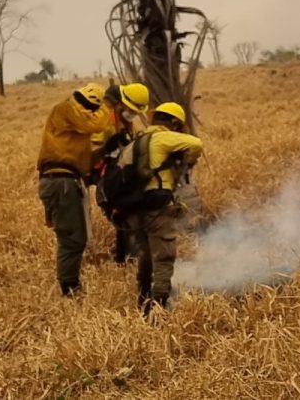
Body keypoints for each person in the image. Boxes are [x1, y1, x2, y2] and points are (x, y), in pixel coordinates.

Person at [120, 102, 203, 314]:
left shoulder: (135, 143)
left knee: (146, 255)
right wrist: (188, 163)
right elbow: (196, 144)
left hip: (134, 211)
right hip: (158, 207)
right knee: (164, 257)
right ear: (174, 123)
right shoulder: (163, 137)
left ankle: (143, 300)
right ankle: (159, 308)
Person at [37, 83, 113, 296]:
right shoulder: (65, 109)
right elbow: (95, 125)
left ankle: (70, 285)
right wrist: (107, 106)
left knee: (75, 237)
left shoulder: (76, 133)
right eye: (92, 107)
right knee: (72, 238)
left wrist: (107, 149)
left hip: (66, 181)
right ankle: (69, 288)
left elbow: (85, 165)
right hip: (61, 182)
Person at [91, 82, 151, 263]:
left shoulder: (125, 122)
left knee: (128, 217)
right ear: (121, 103)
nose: (131, 114)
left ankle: (125, 259)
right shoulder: (105, 119)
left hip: (123, 178)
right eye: (130, 109)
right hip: (109, 178)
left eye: (135, 111)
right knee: (125, 217)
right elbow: (94, 149)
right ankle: (127, 259)